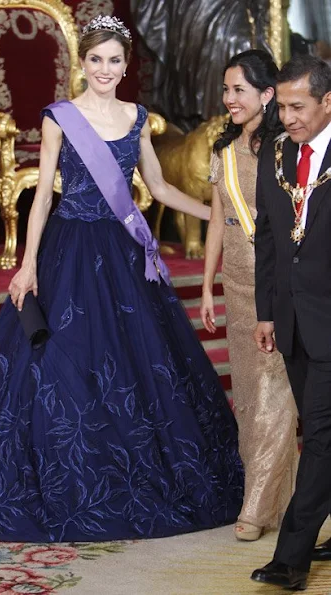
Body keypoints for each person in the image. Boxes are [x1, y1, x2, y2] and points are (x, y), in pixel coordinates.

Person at [0, 15, 243, 543]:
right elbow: (44, 195)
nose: (105, 69)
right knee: (57, 361)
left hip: (120, 252)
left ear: (125, 65)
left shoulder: (138, 117)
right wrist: (28, 264)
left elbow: (159, 188)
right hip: (67, 251)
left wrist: (222, 216)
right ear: (83, 64)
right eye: (96, 59)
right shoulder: (60, 117)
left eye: (114, 60)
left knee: (137, 363)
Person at [201, 50, 299, 542]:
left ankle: (256, 507)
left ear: (266, 95)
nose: (229, 99)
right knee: (247, 398)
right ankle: (279, 497)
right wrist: (205, 285)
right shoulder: (222, 150)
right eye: (225, 90)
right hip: (235, 284)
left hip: (277, 282)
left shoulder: (285, 151)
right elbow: (218, 219)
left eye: (238, 90)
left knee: (273, 396)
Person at [251, 54, 331, 590]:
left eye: (297, 106)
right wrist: (265, 311)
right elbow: (270, 238)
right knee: (322, 432)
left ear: (328, 102)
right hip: (292, 319)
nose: (287, 117)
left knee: (321, 438)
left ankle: (291, 558)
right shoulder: (276, 152)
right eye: (281, 106)